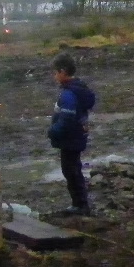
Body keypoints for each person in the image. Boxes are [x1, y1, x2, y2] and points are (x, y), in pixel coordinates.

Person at [47, 51, 97, 215]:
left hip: (70, 138)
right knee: (74, 168)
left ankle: (80, 205)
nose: (54, 76)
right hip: (77, 136)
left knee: (70, 171)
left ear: (62, 71)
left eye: (55, 72)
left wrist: (53, 131)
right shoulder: (78, 89)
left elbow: (67, 119)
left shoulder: (69, 94)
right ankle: (80, 203)